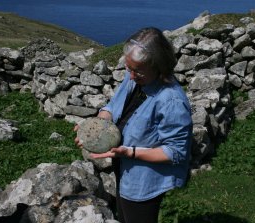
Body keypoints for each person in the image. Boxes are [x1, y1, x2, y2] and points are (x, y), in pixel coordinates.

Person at [75, 27, 193, 223]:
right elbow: (112, 106)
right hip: (124, 167)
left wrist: (130, 152)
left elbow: (176, 152)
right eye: (129, 68)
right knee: (124, 215)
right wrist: (97, 127)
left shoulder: (171, 101)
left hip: (144, 180)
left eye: (137, 70)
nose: (130, 76)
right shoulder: (136, 79)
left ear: (159, 66)